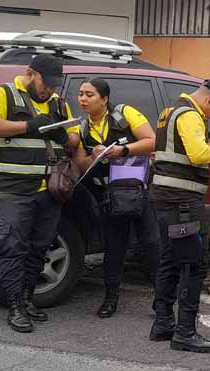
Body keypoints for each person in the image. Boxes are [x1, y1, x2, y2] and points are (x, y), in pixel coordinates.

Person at [0, 54, 81, 333]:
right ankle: (14, 305)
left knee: (40, 245)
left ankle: (27, 298)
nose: (49, 89)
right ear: (30, 73)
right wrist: (28, 126)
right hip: (14, 189)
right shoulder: (4, 94)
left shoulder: (59, 103)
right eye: (45, 83)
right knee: (11, 246)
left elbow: (74, 138)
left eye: (53, 85)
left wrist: (63, 137)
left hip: (49, 190)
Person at [148, 80, 210, 353]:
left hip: (164, 199)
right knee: (195, 265)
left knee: (169, 260)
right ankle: (185, 332)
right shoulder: (189, 115)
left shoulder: (169, 112)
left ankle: (162, 324)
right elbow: (198, 154)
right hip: (181, 202)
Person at [73, 78, 160, 318]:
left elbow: (152, 141)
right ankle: (110, 299)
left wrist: (120, 151)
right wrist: (97, 156)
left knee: (151, 246)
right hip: (108, 198)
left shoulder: (124, 113)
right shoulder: (82, 127)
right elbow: (81, 164)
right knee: (114, 249)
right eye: (80, 94)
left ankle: (162, 300)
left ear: (104, 99)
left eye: (89, 95)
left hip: (137, 191)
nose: (83, 99)